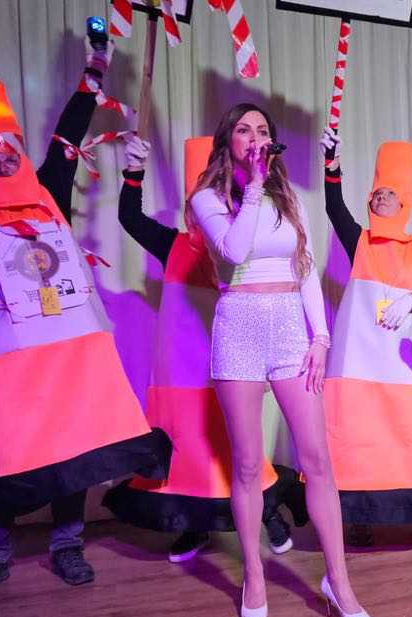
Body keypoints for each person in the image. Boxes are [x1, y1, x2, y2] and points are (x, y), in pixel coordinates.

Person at [0, 40, 169, 603]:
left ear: (22, 156)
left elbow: (69, 131)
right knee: (7, 455)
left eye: (9, 157)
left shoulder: (50, 194)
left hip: (74, 347)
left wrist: (95, 70)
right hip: (13, 355)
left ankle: (67, 545)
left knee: (76, 450)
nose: (2, 165)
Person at [188, 104, 373, 617]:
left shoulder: (289, 196)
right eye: (244, 130)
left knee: (318, 460)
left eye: (263, 130)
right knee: (248, 465)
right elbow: (233, 250)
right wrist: (252, 185)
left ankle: (338, 582)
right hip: (239, 328)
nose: (254, 137)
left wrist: (321, 336)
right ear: (228, 140)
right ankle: (254, 573)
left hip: (291, 327)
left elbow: (305, 269)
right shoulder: (208, 198)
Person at [102, 135, 304, 562]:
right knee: (189, 455)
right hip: (180, 373)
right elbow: (129, 218)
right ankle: (193, 527)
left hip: (231, 360)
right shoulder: (172, 244)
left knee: (239, 448)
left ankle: (269, 515)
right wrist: (134, 171)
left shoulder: (245, 242)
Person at [317, 128, 412, 547]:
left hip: (404, 360)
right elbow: (334, 207)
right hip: (359, 359)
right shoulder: (359, 241)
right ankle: (359, 517)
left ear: (404, 201)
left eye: (389, 193)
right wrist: (332, 164)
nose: (380, 198)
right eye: (376, 193)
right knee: (358, 437)